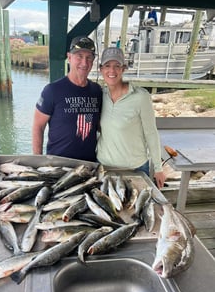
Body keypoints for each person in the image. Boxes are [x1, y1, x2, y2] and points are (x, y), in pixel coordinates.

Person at [96, 47, 166, 189]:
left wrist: (158, 168)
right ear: (101, 69)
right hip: (104, 168)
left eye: (117, 66)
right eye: (107, 66)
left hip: (135, 168)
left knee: (137, 210)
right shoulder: (99, 95)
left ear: (124, 69)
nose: (112, 71)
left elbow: (151, 133)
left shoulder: (141, 96)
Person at [32, 36, 102, 162]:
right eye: (79, 56)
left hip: (88, 164)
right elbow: (38, 126)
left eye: (89, 57)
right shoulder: (52, 90)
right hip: (58, 163)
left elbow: (100, 125)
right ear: (69, 57)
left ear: (93, 60)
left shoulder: (97, 91)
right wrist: (38, 160)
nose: (84, 63)